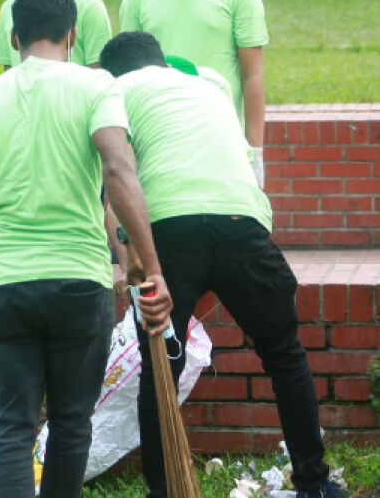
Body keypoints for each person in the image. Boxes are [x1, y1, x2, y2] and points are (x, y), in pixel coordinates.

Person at [98, 32, 345, 498]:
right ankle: (315, 484)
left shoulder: (114, 94)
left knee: (159, 371)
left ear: (113, 73)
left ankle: (166, 491)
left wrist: (129, 260)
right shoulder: (209, 88)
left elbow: (117, 183)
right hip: (243, 222)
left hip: (169, 229)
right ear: (161, 60)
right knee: (286, 357)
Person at [0, 0, 172, 498]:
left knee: (11, 425)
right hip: (80, 282)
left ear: (13, 36)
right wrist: (150, 265)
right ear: (72, 35)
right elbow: (119, 169)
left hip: (7, 283)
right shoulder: (96, 88)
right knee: (72, 422)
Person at [119, 0, 268, 186]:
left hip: (223, 140)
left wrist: (255, 151)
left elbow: (253, 75)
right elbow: (128, 80)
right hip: (159, 140)